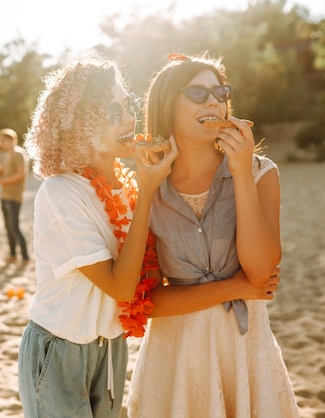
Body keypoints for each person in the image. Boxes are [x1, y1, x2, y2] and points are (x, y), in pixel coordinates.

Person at [127, 53, 299, 417]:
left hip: (244, 352)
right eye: (198, 93)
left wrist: (239, 174)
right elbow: (149, 301)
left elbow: (259, 271)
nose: (215, 103)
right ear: (166, 105)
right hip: (174, 358)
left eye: (221, 93)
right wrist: (233, 289)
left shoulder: (259, 173)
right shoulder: (149, 188)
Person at [17, 57, 179, 418]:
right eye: (110, 110)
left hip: (111, 348)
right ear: (79, 126)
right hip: (59, 350)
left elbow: (148, 281)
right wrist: (150, 189)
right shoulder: (60, 193)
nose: (127, 117)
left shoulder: (129, 187)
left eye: (127, 105)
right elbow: (121, 287)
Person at [0, 128, 30, 263]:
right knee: (8, 226)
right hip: (4, 195)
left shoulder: (18, 154)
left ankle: (25, 256)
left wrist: (2, 181)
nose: (2, 143)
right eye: (0, 141)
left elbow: (21, 175)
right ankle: (13, 254)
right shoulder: (6, 155)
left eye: (4, 140)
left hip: (14, 196)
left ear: (11, 139)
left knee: (14, 225)